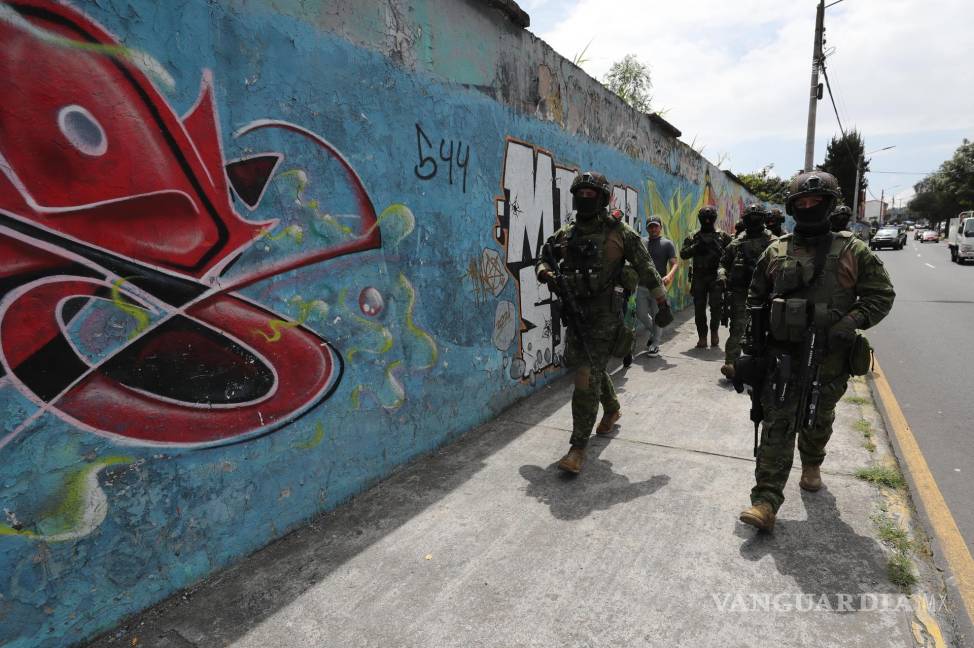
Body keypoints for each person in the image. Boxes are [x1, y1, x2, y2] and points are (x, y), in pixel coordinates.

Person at [737, 171, 895, 531]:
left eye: (816, 203)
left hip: (828, 359)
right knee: (777, 425)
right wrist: (749, 351)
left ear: (829, 205)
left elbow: (881, 296)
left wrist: (849, 321)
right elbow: (756, 297)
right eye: (802, 204)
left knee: (816, 421)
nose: (808, 208)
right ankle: (765, 501)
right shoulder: (775, 250)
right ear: (793, 208)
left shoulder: (853, 250)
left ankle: (812, 462)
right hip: (781, 358)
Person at [536, 172, 672, 474]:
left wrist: (662, 303)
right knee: (590, 366)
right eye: (579, 194)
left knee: (585, 376)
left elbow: (646, 267)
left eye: (590, 194)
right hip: (576, 312)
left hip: (605, 315)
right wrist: (546, 273)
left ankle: (577, 447)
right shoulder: (566, 234)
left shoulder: (619, 232)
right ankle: (612, 407)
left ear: (602, 198)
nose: (584, 199)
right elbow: (544, 257)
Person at [718, 204, 775, 379]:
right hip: (741, 293)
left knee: (768, 330)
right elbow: (723, 264)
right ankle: (731, 365)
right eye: (751, 218)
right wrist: (722, 276)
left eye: (757, 217)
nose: (754, 221)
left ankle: (765, 367)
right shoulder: (737, 244)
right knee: (737, 329)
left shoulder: (774, 243)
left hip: (767, 295)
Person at [680, 206, 732, 348]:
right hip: (699, 277)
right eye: (705, 218)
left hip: (716, 276)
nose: (707, 220)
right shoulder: (694, 236)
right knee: (699, 309)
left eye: (709, 218)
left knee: (716, 307)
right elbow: (683, 254)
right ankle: (702, 336)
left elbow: (733, 253)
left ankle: (714, 332)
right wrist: (696, 247)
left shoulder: (722, 236)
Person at [637, 215, 678, 356]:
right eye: (650, 226)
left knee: (658, 316)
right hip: (642, 285)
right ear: (647, 228)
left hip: (658, 286)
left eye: (656, 226)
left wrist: (669, 276)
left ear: (660, 227)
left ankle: (655, 344)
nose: (653, 229)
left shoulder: (667, 244)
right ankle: (654, 335)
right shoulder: (642, 242)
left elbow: (674, 263)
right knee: (640, 313)